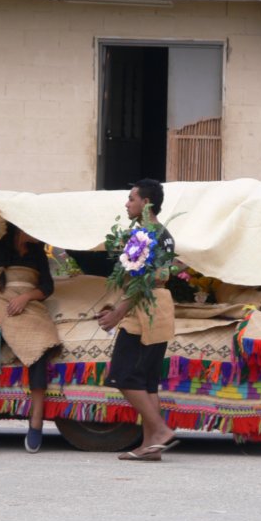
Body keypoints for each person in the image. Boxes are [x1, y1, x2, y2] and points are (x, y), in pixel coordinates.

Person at [96, 178, 178, 462]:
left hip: (144, 308)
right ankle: (150, 446)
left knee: (122, 372)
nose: (127, 203)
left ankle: (160, 430)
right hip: (161, 306)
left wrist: (118, 313)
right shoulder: (165, 233)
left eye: (131, 198)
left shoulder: (143, 235)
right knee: (146, 380)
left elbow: (139, 282)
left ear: (146, 203)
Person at [0, 209, 61, 452]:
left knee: (39, 348)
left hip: (28, 306)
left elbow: (47, 287)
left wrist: (26, 297)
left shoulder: (38, 254)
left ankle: (36, 421)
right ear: (21, 227)